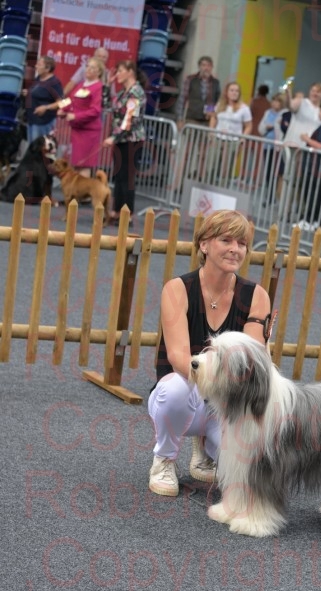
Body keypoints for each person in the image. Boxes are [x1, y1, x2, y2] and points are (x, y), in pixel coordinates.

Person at [148, 209, 271, 496]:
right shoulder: (177, 289)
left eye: (241, 243)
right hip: (186, 391)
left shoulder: (257, 296)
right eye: (226, 240)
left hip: (228, 402)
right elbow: (179, 358)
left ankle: (205, 447)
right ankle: (164, 459)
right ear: (204, 244)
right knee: (174, 391)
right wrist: (215, 383)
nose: (235, 249)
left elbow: (251, 361)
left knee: (245, 479)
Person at [102, 60, 146, 220]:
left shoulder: (136, 92)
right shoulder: (123, 93)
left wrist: (114, 137)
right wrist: (108, 85)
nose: (117, 75)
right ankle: (116, 210)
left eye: (120, 71)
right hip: (121, 140)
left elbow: (131, 120)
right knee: (119, 175)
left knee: (127, 177)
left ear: (130, 72)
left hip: (131, 140)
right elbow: (107, 105)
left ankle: (126, 212)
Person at [58, 57, 104, 177]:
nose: (88, 69)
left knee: (84, 165)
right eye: (87, 66)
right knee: (76, 164)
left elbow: (95, 110)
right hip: (77, 130)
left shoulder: (98, 87)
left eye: (92, 67)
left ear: (99, 72)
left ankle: (83, 189)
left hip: (88, 132)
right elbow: (71, 99)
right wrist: (61, 108)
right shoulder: (81, 85)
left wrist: (75, 116)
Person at [295, 100, 321, 230]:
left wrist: (307, 139)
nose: (320, 113)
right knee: (314, 193)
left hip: (316, 166)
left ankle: (310, 219)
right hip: (315, 165)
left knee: (313, 193)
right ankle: (316, 219)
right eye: (320, 111)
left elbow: (320, 146)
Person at [176, 56, 221, 131]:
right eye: (203, 65)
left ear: (212, 67)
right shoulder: (191, 79)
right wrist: (180, 118)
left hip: (207, 121)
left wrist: (210, 111)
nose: (206, 68)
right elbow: (182, 99)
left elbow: (217, 101)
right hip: (191, 119)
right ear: (199, 67)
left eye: (209, 65)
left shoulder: (215, 82)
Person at [26, 56, 63, 143]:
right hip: (32, 120)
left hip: (43, 123)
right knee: (32, 148)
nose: (36, 66)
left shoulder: (54, 83)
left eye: (39, 64)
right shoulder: (38, 78)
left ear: (47, 68)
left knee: (39, 148)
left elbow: (63, 102)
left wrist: (46, 107)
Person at [284, 82, 321, 148]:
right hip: (292, 144)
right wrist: (288, 94)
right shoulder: (301, 102)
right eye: (313, 91)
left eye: (318, 92)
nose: (315, 94)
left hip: (307, 149)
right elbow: (290, 106)